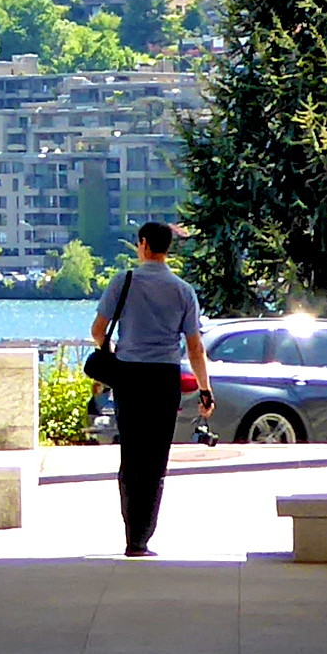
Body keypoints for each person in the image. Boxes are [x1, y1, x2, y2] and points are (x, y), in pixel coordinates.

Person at [91, 222, 213, 557]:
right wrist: (205, 390)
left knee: (131, 456)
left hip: (129, 376)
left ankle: (131, 534)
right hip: (164, 379)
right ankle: (144, 537)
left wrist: (116, 354)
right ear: (167, 248)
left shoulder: (123, 281)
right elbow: (195, 348)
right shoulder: (183, 290)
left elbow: (98, 330)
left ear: (143, 244)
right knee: (156, 459)